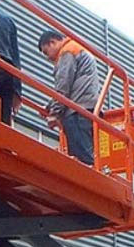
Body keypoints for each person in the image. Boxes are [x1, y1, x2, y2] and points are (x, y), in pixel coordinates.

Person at [38, 30, 100, 165]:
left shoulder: (67, 52)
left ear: (53, 42)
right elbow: (71, 86)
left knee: (82, 157)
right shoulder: (76, 49)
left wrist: (54, 113)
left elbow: (63, 85)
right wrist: (49, 106)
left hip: (77, 110)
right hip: (85, 106)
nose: (48, 58)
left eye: (46, 52)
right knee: (85, 153)